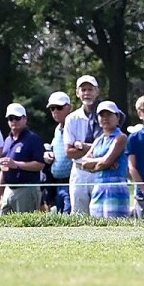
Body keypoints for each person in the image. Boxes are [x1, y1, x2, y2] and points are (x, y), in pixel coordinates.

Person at [0, 103, 45, 214]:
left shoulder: (33, 139)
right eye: (10, 118)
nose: (14, 121)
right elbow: (4, 169)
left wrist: (17, 164)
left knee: (25, 228)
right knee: (4, 226)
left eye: (17, 118)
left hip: (27, 189)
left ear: (25, 119)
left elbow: (40, 165)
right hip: (9, 189)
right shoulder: (7, 140)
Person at [83, 101, 130, 218]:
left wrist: (97, 165)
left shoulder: (121, 137)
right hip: (98, 187)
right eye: (101, 115)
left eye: (109, 114)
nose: (105, 118)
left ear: (117, 117)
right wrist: (102, 163)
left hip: (116, 188)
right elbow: (84, 162)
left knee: (115, 228)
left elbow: (106, 161)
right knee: (97, 227)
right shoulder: (98, 140)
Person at [62, 75, 101, 215]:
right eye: (83, 89)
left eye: (90, 89)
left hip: (100, 171)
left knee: (100, 215)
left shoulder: (105, 115)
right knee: (79, 215)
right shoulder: (71, 119)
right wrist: (95, 147)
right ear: (77, 93)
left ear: (97, 92)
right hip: (79, 172)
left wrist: (83, 146)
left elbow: (105, 151)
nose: (86, 93)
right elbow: (69, 152)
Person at [43, 91, 74, 213]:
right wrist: (47, 153)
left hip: (71, 182)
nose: (55, 111)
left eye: (59, 107)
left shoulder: (74, 125)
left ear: (69, 108)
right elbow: (53, 147)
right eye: (52, 108)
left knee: (68, 220)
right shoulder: (58, 129)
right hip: (57, 184)